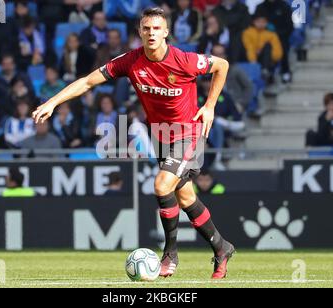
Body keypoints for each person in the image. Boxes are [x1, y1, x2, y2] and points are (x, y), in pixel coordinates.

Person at [33, 7, 235, 279]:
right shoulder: (130, 61)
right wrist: (52, 102)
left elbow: (221, 65)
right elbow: (87, 81)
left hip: (189, 133)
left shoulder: (185, 60)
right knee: (185, 196)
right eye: (146, 28)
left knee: (162, 184)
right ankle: (222, 248)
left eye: (156, 29)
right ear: (140, 32)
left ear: (166, 33)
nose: (151, 33)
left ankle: (170, 254)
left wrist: (209, 106)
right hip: (161, 135)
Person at [255, 0, 294, 83]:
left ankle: (285, 71)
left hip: (281, 37)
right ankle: (267, 72)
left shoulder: (284, 7)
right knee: (264, 46)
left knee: (282, 45)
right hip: (262, 38)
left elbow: (289, 27)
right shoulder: (260, 7)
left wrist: (276, 34)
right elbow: (254, 24)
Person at [0, 54, 35, 123]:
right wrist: (11, 93)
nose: (7, 66)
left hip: (25, 113)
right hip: (5, 114)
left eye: (9, 64)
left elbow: (32, 94)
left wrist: (25, 92)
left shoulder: (23, 77)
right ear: (2, 66)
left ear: (14, 64)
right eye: (5, 64)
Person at [242, 13, 283, 84]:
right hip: (252, 59)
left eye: (263, 22)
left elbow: (277, 53)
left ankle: (265, 71)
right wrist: (253, 59)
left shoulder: (272, 34)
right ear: (254, 22)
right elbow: (249, 47)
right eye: (258, 21)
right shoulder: (247, 33)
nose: (261, 24)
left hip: (268, 60)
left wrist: (265, 53)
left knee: (268, 46)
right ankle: (264, 72)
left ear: (266, 23)